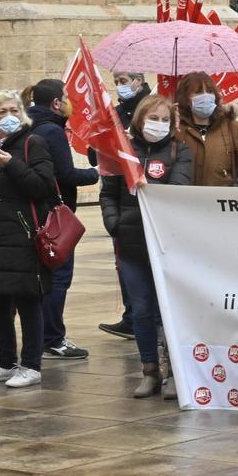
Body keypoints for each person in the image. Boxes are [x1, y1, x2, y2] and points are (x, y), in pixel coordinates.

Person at [100, 95, 192, 398]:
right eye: (154, 118)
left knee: (168, 311)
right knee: (141, 310)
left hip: (167, 244)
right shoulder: (122, 152)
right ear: (140, 119)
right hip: (131, 243)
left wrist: (149, 188)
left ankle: (174, 371)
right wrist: (114, 223)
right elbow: (108, 193)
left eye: (165, 119)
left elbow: (180, 189)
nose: (159, 125)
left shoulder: (181, 150)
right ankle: (149, 369)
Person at [0, 90, 57, 388]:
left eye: (13, 110)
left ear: (22, 113)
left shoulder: (33, 144)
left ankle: (31, 365)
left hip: (23, 237)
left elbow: (43, 187)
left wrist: (13, 165)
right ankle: (5, 362)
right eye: (0, 112)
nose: (7, 116)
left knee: (28, 302)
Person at [27, 78, 100, 360]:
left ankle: (40, 335)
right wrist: (97, 174)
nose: (70, 102)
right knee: (59, 277)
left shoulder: (28, 125)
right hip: (54, 217)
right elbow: (64, 175)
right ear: (56, 103)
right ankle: (53, 338)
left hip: (33, 211)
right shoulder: (52, 131)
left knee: (41, 278)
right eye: (66, 97)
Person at [98, 71, 151, 341]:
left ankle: (148, 319)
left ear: (139, 81)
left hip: (148, 201)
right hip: (123, 203)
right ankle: (132, 317)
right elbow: (100, 156)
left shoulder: (152, 108)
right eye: (116, 81)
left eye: (124, 80)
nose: (120, 86)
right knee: (125, 264)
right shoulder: (115, 113)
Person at [175, 72, 238, 186]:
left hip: (220, 201)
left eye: (210, 91)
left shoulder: (232, 128)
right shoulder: (176, 129)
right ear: (186, 99)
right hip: (183, 201)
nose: (206, 96)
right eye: (198, 92)